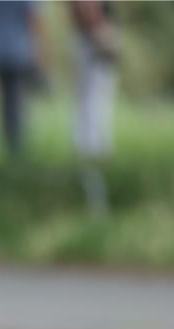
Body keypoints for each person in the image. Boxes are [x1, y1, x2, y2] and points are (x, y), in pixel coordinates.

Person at [0, 0, 49, 157]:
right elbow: (33, 19)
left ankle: (10, 142)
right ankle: (16, 146)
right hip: (19, 50)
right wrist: (40, 52)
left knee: (6, 99)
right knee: (17, 100)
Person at [70, 0, 119, 216]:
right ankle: (94, 205)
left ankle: (99, 207)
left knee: (94, 152)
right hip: (85, 109)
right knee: (86, 153)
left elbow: (111, 56)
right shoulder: (82, 37)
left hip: (96, 111)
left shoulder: (103, 35)